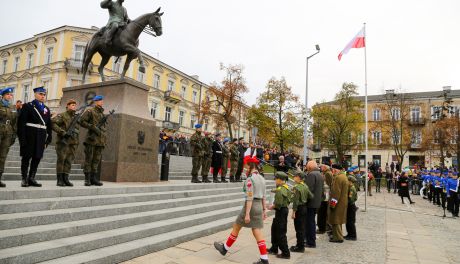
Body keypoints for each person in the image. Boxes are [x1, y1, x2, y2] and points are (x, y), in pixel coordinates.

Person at [214, 156, 269, 264]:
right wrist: (264, 210)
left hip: (251, 206)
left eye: (245, 166)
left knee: (237, 226)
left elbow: (249, 197)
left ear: (249, 166)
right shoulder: (262, 178)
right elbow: (264, 196)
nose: (244, 168)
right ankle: (264, 258)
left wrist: (247, 214)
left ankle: (225, 248)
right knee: (256, 231)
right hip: (258, 206)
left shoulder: (250, 179)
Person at [17, 86, 52, 188]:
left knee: (37, 158)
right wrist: (22, 139)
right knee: (26, 158)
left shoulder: (46, 109)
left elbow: (49, 125)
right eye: (40, 94)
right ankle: (24, 179)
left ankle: (31, 178)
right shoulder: (28, 106)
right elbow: (21, 124)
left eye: (44, 94)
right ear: (35, 94)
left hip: (41, 137)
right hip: (29, 136)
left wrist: (48, 138)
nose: (42, 96)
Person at [52, 99, 80, 187]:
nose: (73, 106)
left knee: (69, 160)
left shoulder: (75, 117)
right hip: (63, 142)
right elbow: (53, 124)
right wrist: (62, 132)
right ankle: (59, 179)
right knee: (61, 160)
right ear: (67, 106)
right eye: (71, 105)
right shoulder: (62, 115)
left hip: (73, 142)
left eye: (74, 105)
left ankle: (66, 178)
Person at [79, 95, 106, 187]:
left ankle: (93, 178)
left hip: (100, 140)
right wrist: (92, 127)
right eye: (99, 100)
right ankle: (87, 179)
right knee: (89, 159)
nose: (101, 102)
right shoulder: (90, 111)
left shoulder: (102, 113)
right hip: (91, 139)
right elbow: (81, 121)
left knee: (96, 160)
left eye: (102, 100)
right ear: (95, 102)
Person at [268, 171, 291, 259]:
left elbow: (278, 204)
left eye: (276, 179)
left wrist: (271, 207)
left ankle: (285, 253)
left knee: (280, 232)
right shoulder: (286, 187)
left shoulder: (280, 190)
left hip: (281, 211)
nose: (275, 181)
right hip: (283, 211)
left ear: (281, 180)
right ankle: (274, 248)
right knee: (274, 229)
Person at [290, 172, 313, 253]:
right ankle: (300, 245)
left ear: (299, 178)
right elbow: (311, 196)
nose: (294, 178)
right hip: (304, 208)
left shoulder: (296, 187)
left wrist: (293, 212)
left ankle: (300, 247)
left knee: (298, 229)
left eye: (295, 176)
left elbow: (295, 202)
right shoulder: (305, 186)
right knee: (302, 228)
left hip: (299, 209)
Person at [304, 160, 324, 248]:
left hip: (310, 203)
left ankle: (311, 242)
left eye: (307, 167)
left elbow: (308, 190)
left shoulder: (312, 175)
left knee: (309, 222)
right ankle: (311, 240)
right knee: (311, 221)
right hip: (316, 202)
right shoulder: (319, 174)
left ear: (309, 167)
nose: (306, 169)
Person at [0, 88, 17, 187]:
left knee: (3, 156)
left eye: (11, 94)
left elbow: (15, 122)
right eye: (8, 94)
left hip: (8, 133)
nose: (10, 96)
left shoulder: (12, 107)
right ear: (3, 95)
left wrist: (14, 134)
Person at [328, 164, 348, 243]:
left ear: (336, 170)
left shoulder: (338, 178)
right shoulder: (343, 176)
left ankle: (338, 238)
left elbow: (336, 193)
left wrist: (332, 204)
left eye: (333, 170)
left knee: (335, 220)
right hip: (342, 202)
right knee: (339, 220)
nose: (332, 171)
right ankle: (338, 235)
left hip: (338, 203)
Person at [317, 164, 332, 234]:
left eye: (321, 167)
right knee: (323, 213)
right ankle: (324, 227)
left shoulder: (328, 174)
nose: (320, 168)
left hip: (326, 196)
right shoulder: (325, 173)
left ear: (325, 167)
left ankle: (322, 228)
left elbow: (329, 185)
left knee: (322, 213)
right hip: (325, 196)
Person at [345, 176, 358, 241]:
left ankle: (353, 236)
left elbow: (351, 199)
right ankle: (349, 234)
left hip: (351, 206)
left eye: (347, 181)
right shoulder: (350, 187)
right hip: (350, 206)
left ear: (350, 181)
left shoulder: (351, 189)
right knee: (348, 221)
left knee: (351, 222)